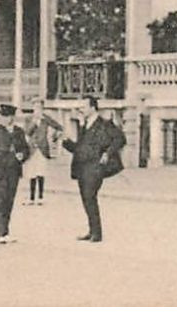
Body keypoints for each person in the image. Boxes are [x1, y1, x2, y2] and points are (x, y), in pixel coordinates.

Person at [61, 96, 126, 244]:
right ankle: (92, 231)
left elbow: (120, 139)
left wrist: (108, 153)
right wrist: (65, 141)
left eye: (84, 107)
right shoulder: (84, 126)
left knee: (90, 197)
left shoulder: (104, 123)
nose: (81, 109)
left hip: (95, 167)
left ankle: (96, 233)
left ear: (92, 107)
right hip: (82, 168)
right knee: (87, 199)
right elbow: (79, 149)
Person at [0, 103, 29, 244]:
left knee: (9, 200)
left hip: (14, 170)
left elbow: (25, 149)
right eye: (2, 116)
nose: (4, 119)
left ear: (12, 117)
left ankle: (6, 232)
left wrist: (22, 155)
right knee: (0, 200)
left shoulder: (19, 132)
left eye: (7, 116)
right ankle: (0, 233)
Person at [23, 100, 63, 205]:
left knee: (41, 173)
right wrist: (34, 123)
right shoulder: (28, 119)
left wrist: (54, 137)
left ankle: (40, 197)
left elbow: (59, 127)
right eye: (35, 107)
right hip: (32, 149)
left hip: (42, 149)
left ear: (42, 108)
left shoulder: (46, 119)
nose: (37, 110)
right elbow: (27, 132)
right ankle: (31, 198)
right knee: (32, 173)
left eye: (39, 108)